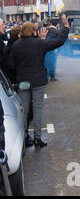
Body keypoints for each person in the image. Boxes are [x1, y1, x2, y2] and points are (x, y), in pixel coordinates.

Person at [8, 15, 70, 147]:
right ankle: (37, 138)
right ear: (33, 32)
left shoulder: (16, 46)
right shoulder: (39, 44)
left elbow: (11, 65)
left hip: (22, 81)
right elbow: (58, 42)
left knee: (24, 110)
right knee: (37, 109)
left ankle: (24, 137)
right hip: (38, 81)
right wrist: (66, 27)